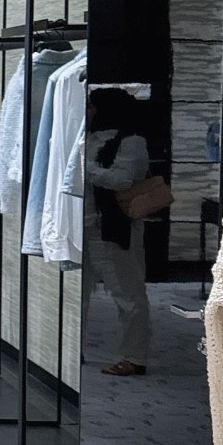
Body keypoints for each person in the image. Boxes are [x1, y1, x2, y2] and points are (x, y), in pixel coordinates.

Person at [82, 87, 152, 376]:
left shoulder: (132, 142)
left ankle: (134, 357)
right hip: (83, 225)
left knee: (127, 292)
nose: (87, 111)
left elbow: (123, 180)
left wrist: (85, 168)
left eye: (92, 106)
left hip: (112, 227)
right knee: (78, 292)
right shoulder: (86, 138)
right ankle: (73, 348)